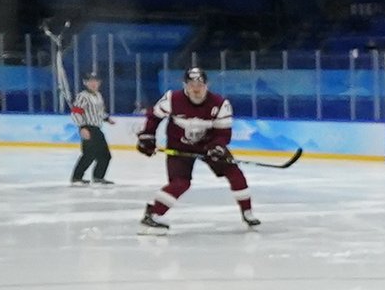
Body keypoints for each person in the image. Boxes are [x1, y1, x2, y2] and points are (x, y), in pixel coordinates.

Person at [137, 67, 257, 231]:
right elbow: (154, 117)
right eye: (191, 83)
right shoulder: (172, 98)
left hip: (208, 146)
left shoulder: (220, 104)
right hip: (179, 147)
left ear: (207, 84)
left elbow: (223, 133)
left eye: (200, 84)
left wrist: (217, 147)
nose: (196, 88)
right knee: (180, 183)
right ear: (184, 84)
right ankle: (153, 214)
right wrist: (147, 137)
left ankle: (247, 212)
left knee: (234, 173)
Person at [69, 72, 111, 185]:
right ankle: (76, 177)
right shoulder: (83, 96)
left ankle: (98, 177)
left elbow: (99, 112)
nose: (93, 83)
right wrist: (82, 127)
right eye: (90, 81)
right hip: (88, 128)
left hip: (97, 128)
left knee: (105, 155)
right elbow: (76, 112)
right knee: (89, 154)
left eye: (95, 81)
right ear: (85, 83)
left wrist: (107, 119)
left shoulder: (98, 95)